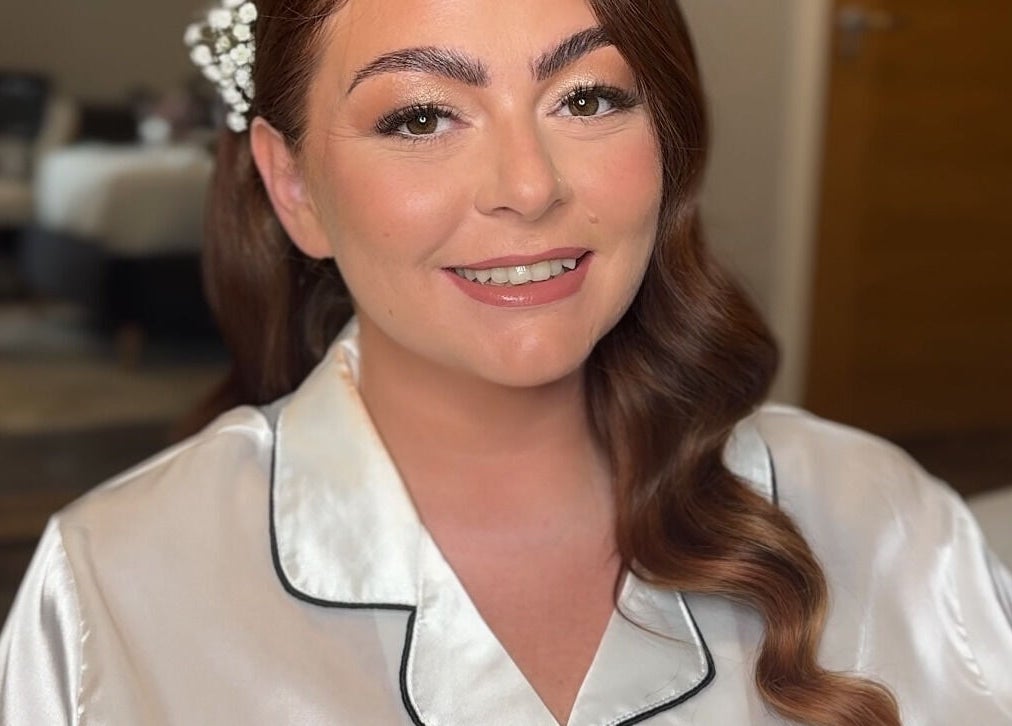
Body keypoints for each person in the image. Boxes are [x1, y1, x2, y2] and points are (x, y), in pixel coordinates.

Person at [1, 0, 1010, 723]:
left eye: (585, 99)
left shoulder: (884, 522)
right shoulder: (119, 588)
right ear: (295, 186)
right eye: (420, 115)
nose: (527, 188)